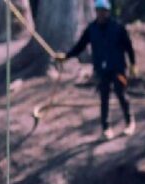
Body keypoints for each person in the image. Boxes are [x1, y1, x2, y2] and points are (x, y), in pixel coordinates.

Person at [56, 0, 137, 140]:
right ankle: (106, 128)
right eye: (98, 10)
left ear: (108, 12)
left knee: (121, 94)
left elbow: (128, 47)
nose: (100, 14)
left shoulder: (118, 27)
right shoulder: (91, 29)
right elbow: (80, 46)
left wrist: (133, 64)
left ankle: (130, 122)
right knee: (104, 98)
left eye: (103, 11)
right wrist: (66, 56)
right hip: (101, 69)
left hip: (118, 68)